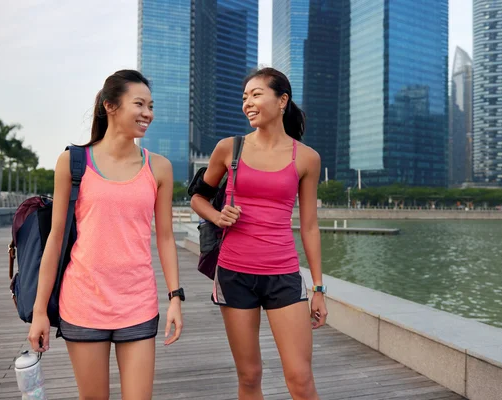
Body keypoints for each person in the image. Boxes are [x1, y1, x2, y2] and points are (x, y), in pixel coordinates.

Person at [28, 70, 184, 400]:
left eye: (151, 106)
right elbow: (55, 239)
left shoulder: (159, 168)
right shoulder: (72, 163)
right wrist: (40, 311)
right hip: (83, 303)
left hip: (138, 303)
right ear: (110, 106)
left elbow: (166, 237)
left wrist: (175, 297)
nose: (148, 114)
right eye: (139, 104)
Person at [190, 67, 327, 400]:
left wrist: (319, 288)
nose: (247, 103)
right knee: (249, 377)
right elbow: (197, 197)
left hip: (283, 274)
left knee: (300, 378)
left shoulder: (307, 158)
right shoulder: (229, 148)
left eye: (256, 95)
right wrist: (218, 216)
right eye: (244, 97)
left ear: (282, 100)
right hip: (234, 274)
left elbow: (309, 225)